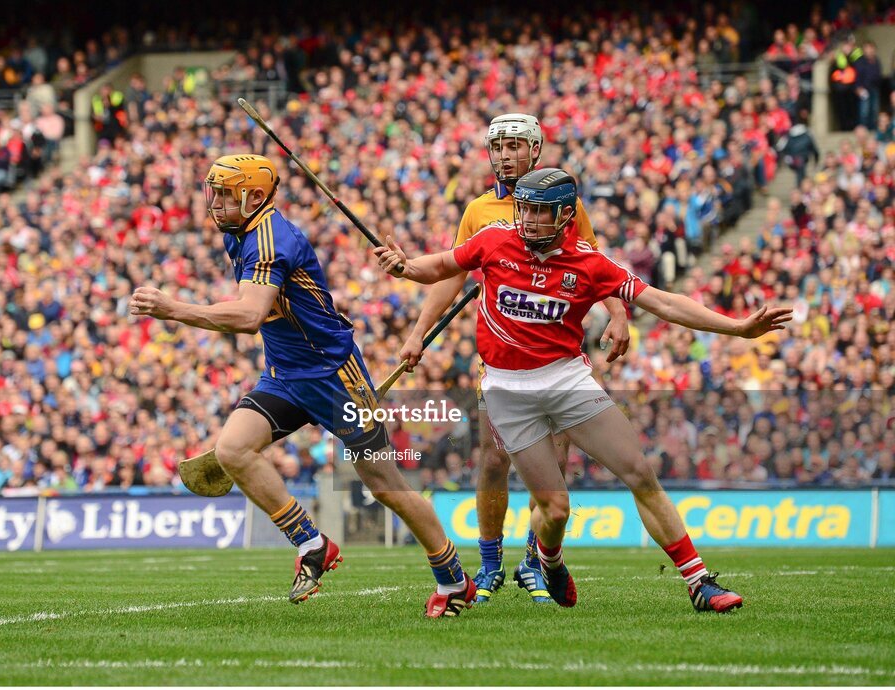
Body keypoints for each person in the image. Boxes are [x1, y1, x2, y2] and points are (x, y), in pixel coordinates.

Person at [374, 168, 793, 612]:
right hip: (507, 392)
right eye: (525, 210)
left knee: (638, 471)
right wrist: (404, 266)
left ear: (565, 216)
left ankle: (698, 581)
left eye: (539, 212)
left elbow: (664, 302)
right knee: (554, 510)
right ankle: (550, 561)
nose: (528, 220)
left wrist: (736, 328)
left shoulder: (589, 262)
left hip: (567, 380)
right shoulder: (495, 240)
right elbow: (437, 266)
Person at [130, 154, 475, 617]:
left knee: (386, 485)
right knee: (233, 450)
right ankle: (312, 544)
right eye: (213, 192)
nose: (214, 203)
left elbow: (250, 316)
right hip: (285, 376)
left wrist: (175, 308)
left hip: (335, 377)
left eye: (225, 194)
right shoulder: (240, 235)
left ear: (254, 196)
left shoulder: (271, 240)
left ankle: (453, 578)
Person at [398, 114, 631, 605]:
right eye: (497, 146)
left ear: (535, 150)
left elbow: (595, 261)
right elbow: (450, 273)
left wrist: (618, 314)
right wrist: (419, 333)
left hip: (559, 348)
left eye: (514, 146)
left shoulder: (563, 198)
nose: (504, 154)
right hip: (503, 357)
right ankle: (488, 563)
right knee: (494, 457)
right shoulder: (478, 209)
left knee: (556, 456)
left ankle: (535, 561)